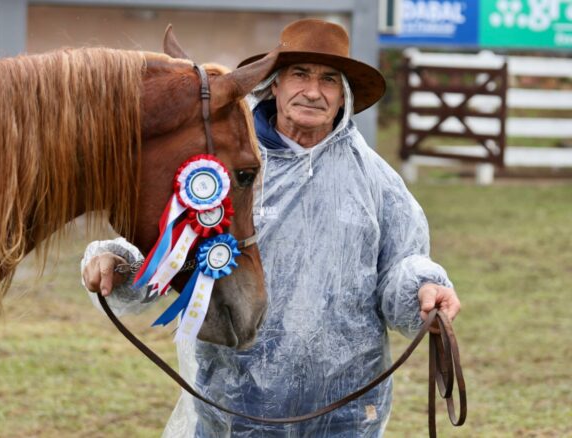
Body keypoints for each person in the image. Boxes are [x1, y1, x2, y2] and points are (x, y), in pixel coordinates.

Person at [81, 18, 461, 437]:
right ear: (274, 84)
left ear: (343, 96)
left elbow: (403, 261)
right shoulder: (223, 166)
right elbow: (172, 237)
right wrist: (122, 265)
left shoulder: (377, 180)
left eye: (329, 80)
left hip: (347, 409)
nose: (313, 91)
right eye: (299, 74)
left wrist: (423, 289)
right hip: (233, 403)